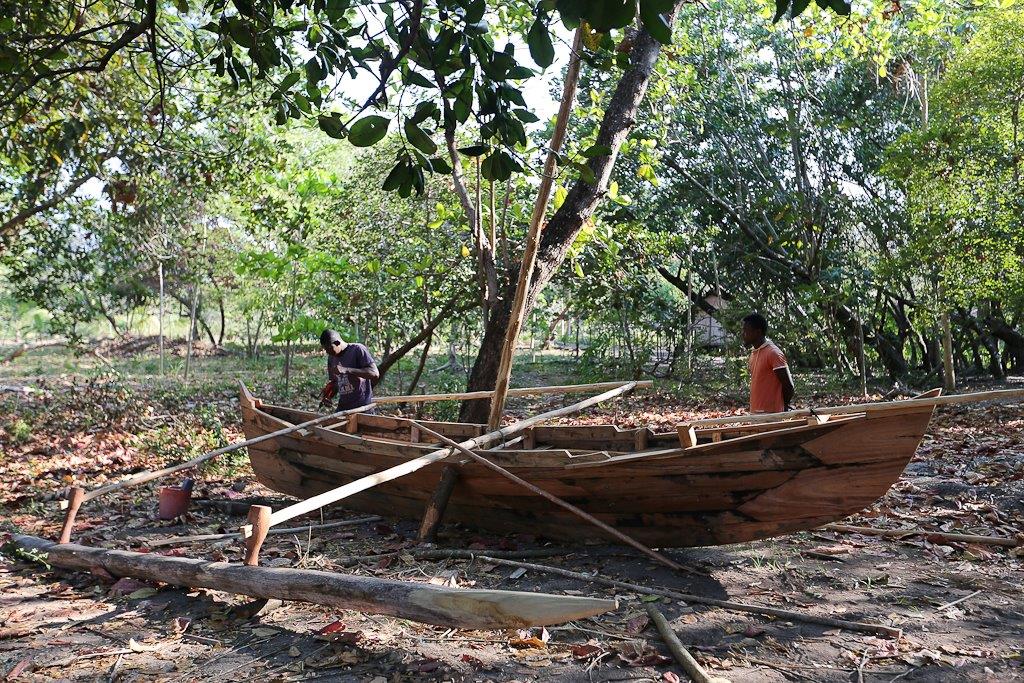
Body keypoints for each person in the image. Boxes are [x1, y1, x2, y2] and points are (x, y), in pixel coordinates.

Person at [741, 313, 795, 413]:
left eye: (746, 331)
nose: (742, 334)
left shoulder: (773, 353)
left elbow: (789, 386)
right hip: (755, 413)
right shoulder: (754, 353)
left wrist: (783, 406)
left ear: (758, 332)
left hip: (771, 415)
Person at [319, 329, 379, 411]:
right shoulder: (331, 358)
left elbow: (374, 373)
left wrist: (347, 370)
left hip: (362, 406)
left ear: (337, 343)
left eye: (329, 348)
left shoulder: (357, 349)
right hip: (344, 407)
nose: (327, 352)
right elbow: (336, 382)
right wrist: (328, 395)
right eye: (325, 349)